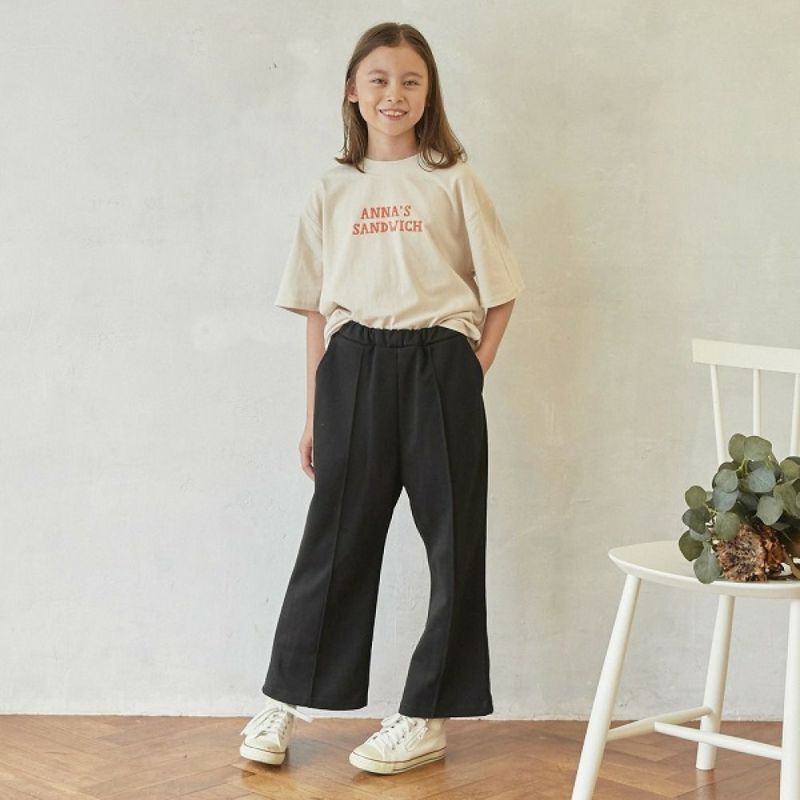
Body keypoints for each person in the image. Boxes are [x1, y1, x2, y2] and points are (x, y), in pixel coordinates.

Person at [240, 20, 526, 775]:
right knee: (334, 540)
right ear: (352, 91)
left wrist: (470, 371)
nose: (393, 94)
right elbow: (314, 310)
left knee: (453, 544)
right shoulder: (332, 187)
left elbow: (502, 291)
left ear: (429, 94)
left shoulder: (454, 179)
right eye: (378, 79)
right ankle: (284, 699)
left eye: (410, 81)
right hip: (353, 365)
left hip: (440, 364)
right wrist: (313, 412)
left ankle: (427, 715)